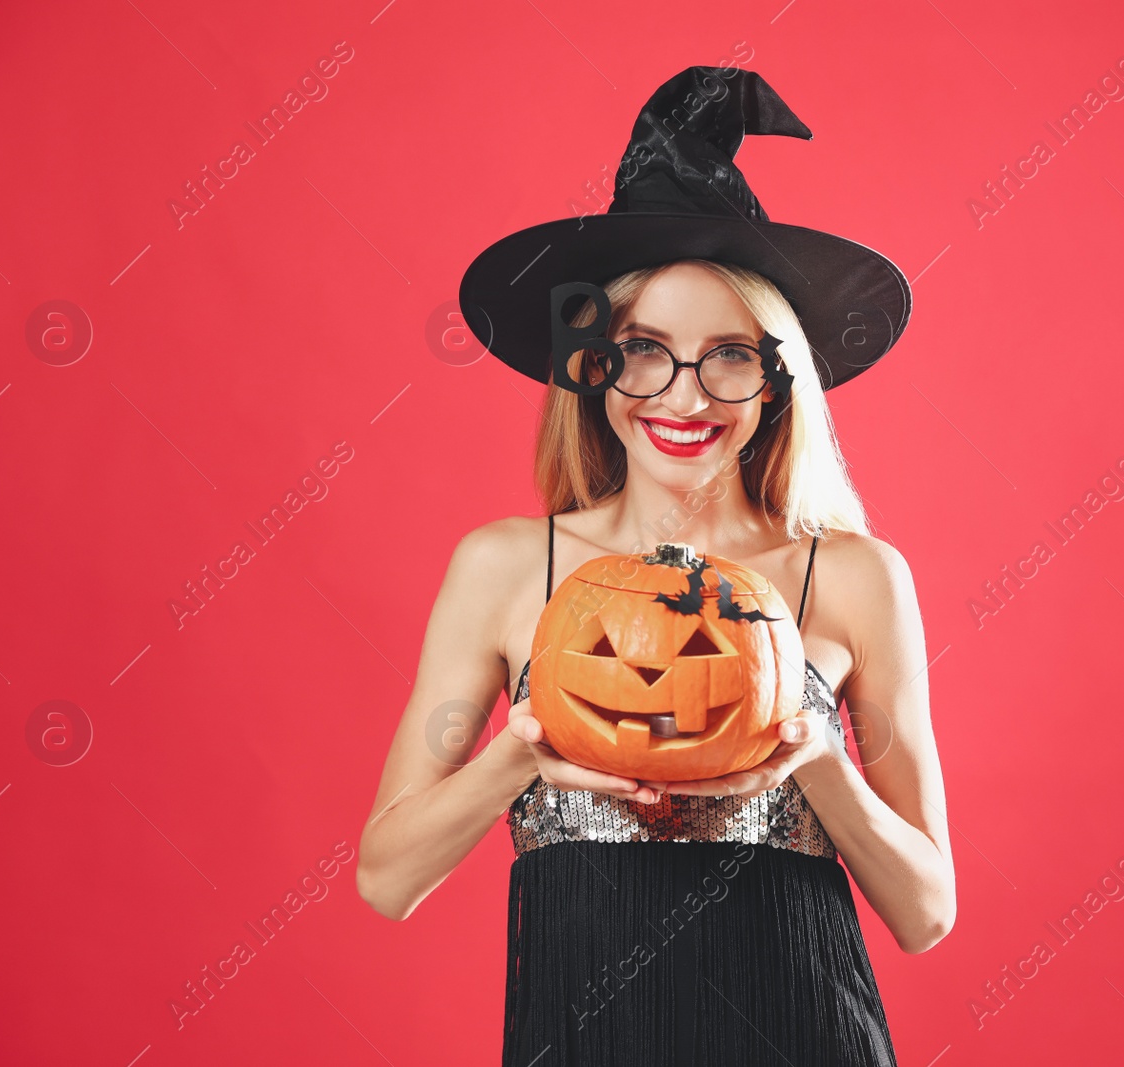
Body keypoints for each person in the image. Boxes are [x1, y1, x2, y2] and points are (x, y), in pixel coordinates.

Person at [357, 67, 954, 1066]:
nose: (683, 394)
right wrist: (520, 751)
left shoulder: (851, 577)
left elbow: (926, 909)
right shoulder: (506, 567)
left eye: (728, 353)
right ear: (593, 368)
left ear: (777, 382)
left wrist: (820, 759)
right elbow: (386, 875)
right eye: (643, 349)